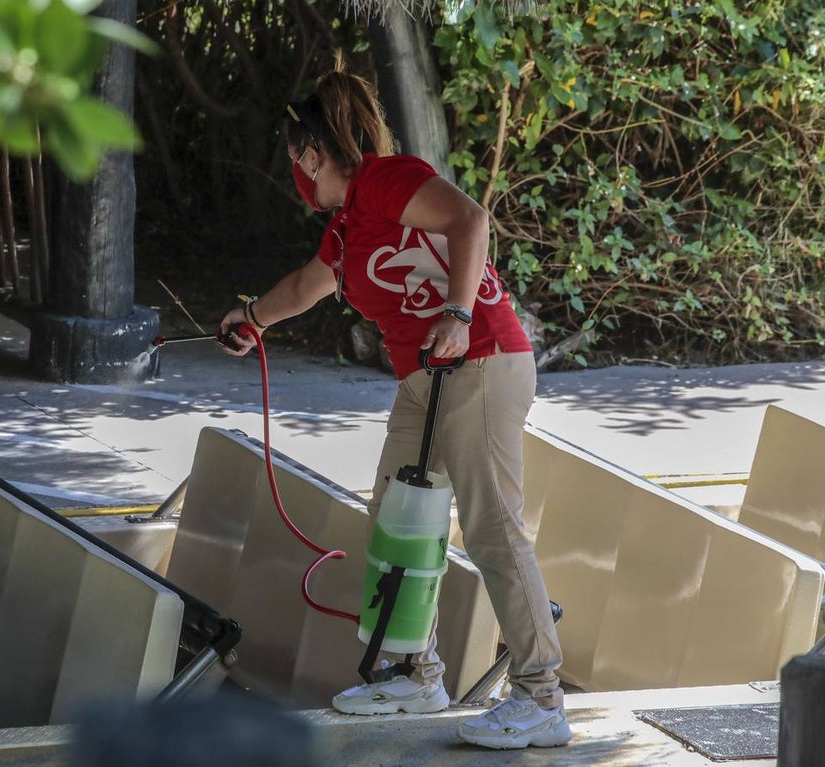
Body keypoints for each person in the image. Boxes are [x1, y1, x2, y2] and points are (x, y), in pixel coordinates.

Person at [218, 53, 571, 751]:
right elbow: (306, 285)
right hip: (426, 378)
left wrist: (459, 312)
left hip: (482, 359)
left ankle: (541, 698)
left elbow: (470, 219)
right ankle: (418, 673)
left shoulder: (386, 180)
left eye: (299, 161)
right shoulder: (349, 225)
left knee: (494, 527)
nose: (298, 176)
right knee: (396, 517)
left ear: (313, 154)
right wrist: (253, 316)